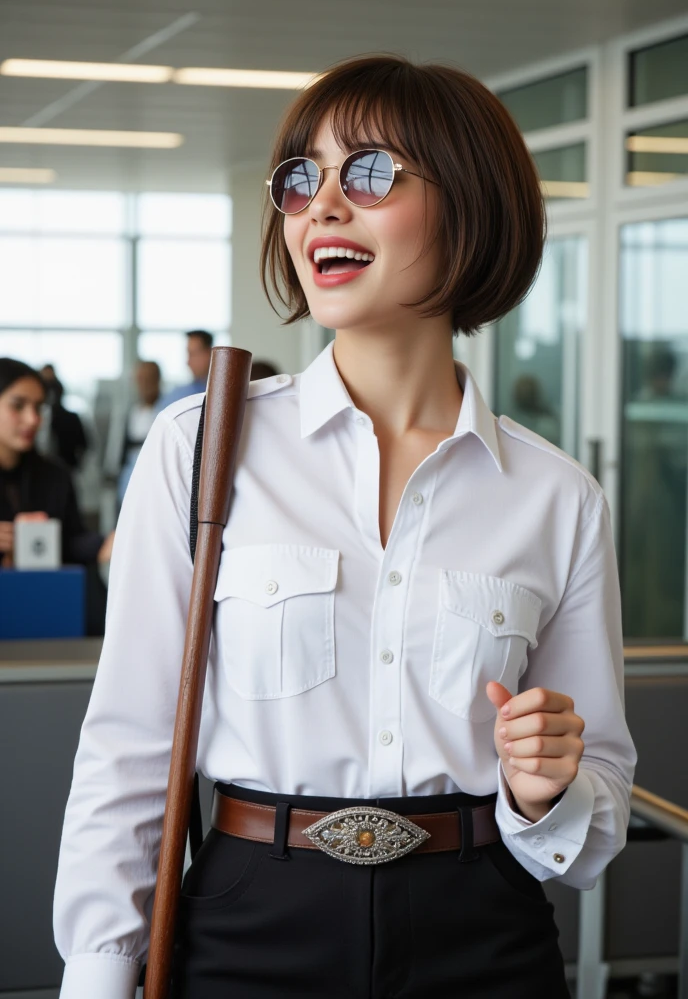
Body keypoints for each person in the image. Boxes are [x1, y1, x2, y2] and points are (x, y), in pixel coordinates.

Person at [54, 56, 636, 999]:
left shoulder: (556, 495)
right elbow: (130, 747)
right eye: (300, 177)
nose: (320, 204)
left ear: (471, 204)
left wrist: (548, 790)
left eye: (369, 173)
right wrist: (98, 977)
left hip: (482, 932)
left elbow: (595, 789)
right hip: (247, 926)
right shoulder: (201, 448)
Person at [0, 358, 114, 571]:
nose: (33, 419)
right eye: (18, 405)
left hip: (45, 596)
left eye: (38, 407)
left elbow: (71, 540)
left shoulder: (55, 475)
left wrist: (105, 545)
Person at [105, 360, 162, 504]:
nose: (143, 384)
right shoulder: (132, 412)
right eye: (140, 379)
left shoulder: (166, 411)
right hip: (130, 482)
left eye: (147, 379)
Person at [157, 330, 213, 410]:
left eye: (193, 354)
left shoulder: (226, 394)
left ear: (209, 354)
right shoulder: (176, 396)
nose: (188, 362)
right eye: (188, 354)